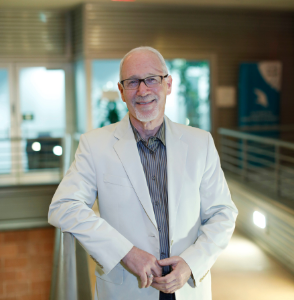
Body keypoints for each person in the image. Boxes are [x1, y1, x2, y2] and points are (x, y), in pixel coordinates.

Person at [48, 46, 238, 300]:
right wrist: (125, 252)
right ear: (121, 91)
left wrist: (192, 263)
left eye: (152, 79)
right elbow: (64, 206)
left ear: (168, 84)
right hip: (126, 289)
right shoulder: (95, 145)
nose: (143, 90)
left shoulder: (200, 143)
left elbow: (223, 213)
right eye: (132, 82)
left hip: (188, 288)